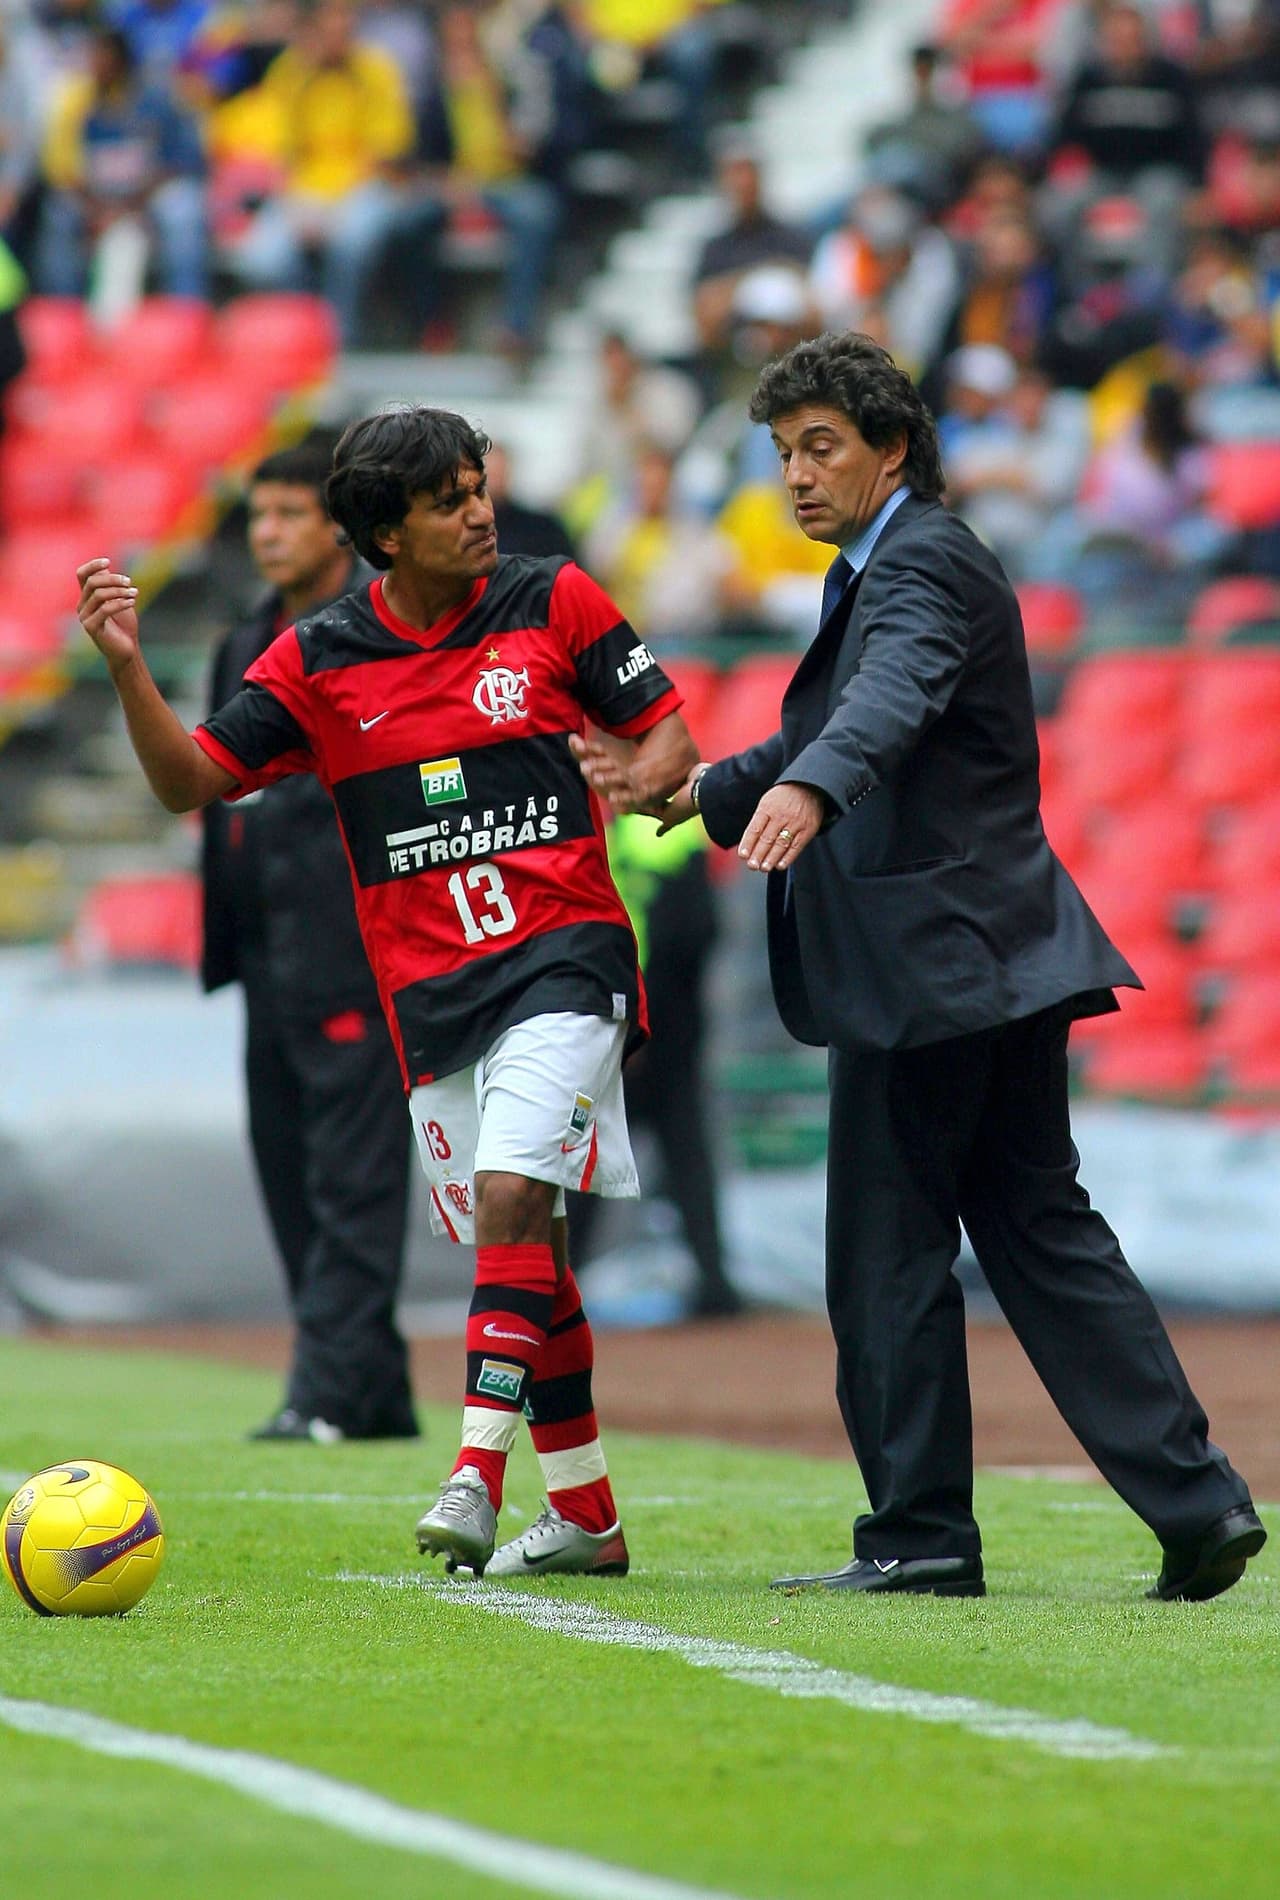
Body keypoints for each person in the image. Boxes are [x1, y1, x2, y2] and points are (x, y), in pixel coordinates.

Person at [577, 330, 1266, 1603]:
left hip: (927, 971)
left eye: (820, 447)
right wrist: (700, 792)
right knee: (1041, 1235)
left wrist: (811, 790)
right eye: (782, 452)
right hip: (990, 957)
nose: (795, 474)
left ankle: (919, 1534)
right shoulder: (895, 564)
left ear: (892, 449)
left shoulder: (921, 562)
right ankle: (1198, 1500)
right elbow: (827, 722)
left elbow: (883, 701)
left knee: (885, 1253)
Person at [76, 403, 697, 1581]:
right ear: (386, 535)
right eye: (449, 499)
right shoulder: (317, 657)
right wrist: (125, 668)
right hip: (435, 998)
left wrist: (640, 773)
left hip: (565, 955)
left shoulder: (554, 598)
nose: (480, 511)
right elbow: (188, 781)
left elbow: (666, 736)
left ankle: (474, 1476)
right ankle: (587, 1516)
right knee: (531, 1245)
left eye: (478, 486)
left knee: (511, 1195)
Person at [202, 435, 417, 1444]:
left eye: (289, 513)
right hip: (261, 954)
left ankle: (326, 1389)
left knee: (354, 1178)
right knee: (288, 1172)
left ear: (338, 525)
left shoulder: (376, 636)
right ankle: (369, 1390)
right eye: (259, 515)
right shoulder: (242, 639)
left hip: (354, 948)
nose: (269, 533)